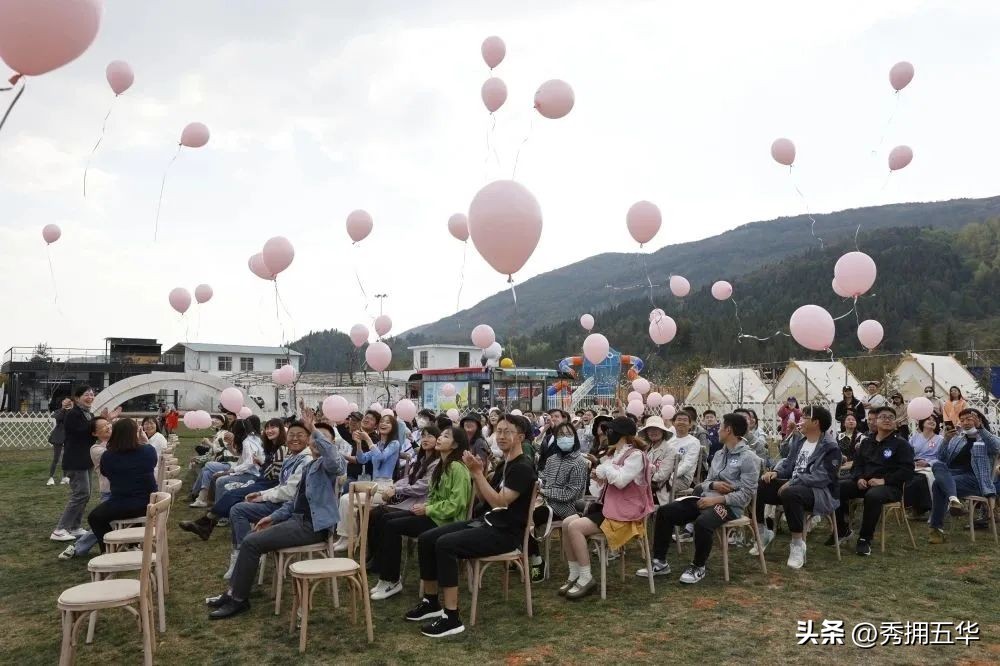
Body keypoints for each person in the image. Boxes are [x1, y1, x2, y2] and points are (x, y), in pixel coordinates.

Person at [403, 414, 537, 638]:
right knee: (427, 538)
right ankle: (430, 601)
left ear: (520, 437)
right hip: (488, 523)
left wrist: (476, 474)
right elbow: (485, 500)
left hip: (506, 533)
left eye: (508, 432)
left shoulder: (522, 467)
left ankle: (451, 616)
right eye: (499, 431)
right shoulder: (506, 463)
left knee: (445, 545)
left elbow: (500, 502)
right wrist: (479, 474)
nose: (501, 436)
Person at [206, 408, 346, 619]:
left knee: (252, 542)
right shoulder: (310, 467)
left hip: (313, 527)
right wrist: (273, 517)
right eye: (315, 438)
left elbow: (334, 460)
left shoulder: (330, 466)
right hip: (297, 521)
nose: (317, 441)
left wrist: (315, 429)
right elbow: (294, 502)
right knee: (251, 539)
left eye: (323, 439)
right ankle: (233, 593)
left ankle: (238, 599)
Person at [638, 413, 760, 583]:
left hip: (730, 507)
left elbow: (746, 495)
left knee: (703, 522)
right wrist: (712, 486)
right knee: (665, 512)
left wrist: (717, 500)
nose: (717, 430)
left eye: (720, 426)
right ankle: (660, 562)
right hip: (705, 499)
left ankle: (698, 566)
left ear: (729, 430)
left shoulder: (749, 458)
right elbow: (706, 482)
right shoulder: (719, 455)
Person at [369, 426, 472, 601]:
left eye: (445, 436)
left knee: (392, 525)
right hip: (433, 514)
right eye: (441, 435)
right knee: (385, 518)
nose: (439, 438)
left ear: (455, 445)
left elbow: (457, 504)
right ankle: (386, 576)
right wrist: (426, 507)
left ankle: (391, 580)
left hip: (446, 521)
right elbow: (432, 495)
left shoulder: (457, 468)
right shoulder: (442, 465)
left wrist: (428, 508)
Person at [559, 417, 653, 598]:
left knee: (575, 527)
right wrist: (599, 477)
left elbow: (621, 480)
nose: (607, 434)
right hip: (608, 508)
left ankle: (587, 578)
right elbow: (601, 488)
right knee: (567, 522)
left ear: (623, 435)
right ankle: (574, 573)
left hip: (625, 514)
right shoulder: (614, 454)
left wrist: (604, 469)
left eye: (611, 431)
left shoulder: (635, 455)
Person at [220, 421, 316, 578]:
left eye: (300, 435)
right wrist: (261, 493)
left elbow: (290, 492)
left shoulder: (305, 460)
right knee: (239, 505)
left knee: (238, 509)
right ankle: (242, 553)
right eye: (291, 435)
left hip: (288, 509)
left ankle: (244, 555)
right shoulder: (293, 456)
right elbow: (281, 484)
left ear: (309, 439)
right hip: (279, 501)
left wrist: (263, 496)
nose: (294, 439)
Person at [751, 406, 841, 569]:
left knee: (792, 492)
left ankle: (798, 545)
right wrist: (776, 473)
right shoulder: (800, 441)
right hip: (793, 487)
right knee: (762, 484)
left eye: (804, 417)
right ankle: (763, 532)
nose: (800, 420)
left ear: (816, 422)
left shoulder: (830, 446)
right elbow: (788, 463)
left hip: (819, 492)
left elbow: (823, 477)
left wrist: (793, 482)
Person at [181, 418, 286, 542]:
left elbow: (274, 474)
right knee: (221, 482)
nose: (269, 430)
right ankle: (208, 521)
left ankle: (209, 520)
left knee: (227, 487)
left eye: (273, 427)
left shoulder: (278, 448)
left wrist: (257, 464)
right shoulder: (269, 445)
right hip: (261, 479)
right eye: (267, 427)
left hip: (266, 482)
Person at [833, 406, 914, 556]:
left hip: (889, 487)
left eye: (891, 417)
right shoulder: (866, 442)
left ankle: (865, 539)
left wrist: (884, 480)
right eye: (883, 417)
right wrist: (859, 478)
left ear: (895, 422)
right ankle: (842, 529)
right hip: (865, 483)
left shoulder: (901, 444)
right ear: (876, 421)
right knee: (837, 486)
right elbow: (857, 466)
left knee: (873, 496)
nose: (887, 420)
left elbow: (907, 471)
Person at [366, 424, 441, 570]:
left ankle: (381, 561)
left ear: (437, 440)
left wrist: (397, 490)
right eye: (423, 435)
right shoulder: (420, 460)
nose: (425, 439)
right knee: (374, 514)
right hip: (408, 500)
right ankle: (375, 557)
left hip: (420, 504)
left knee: (382, 515)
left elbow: (422, 487)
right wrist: (394, 487)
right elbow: (408, 478)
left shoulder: (437, 463)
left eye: (430, 436)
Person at [527, 422, 588, 582]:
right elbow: (545, 479)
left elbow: (570, 494)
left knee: (528, 518)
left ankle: (536, 560)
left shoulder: (579, 462)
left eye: (568, 435)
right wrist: (539, 483)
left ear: (575, 437)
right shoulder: (552, 459)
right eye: (561, 435)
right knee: (519, 513)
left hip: (566, 509)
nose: (565, 438)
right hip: (546, 503)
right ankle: (527, 554)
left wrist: (545, 492)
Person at [927, 409, 1000, 543]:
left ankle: (936, 530)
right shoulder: (958, 439)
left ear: (979, 420)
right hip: (954, 476)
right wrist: (946, 441)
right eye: (962, 420)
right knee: (937, 465)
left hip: (977, 480)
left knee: (938, 484)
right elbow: (942, 459)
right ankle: (954, 499)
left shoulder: (987, 438)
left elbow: (997, 447)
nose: (965, 423)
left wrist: (980, 428)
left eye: (969, 419)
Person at [333, 413, 402, 551]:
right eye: (382, 421)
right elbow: (362, 459)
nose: (383, 424)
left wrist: (368, 439)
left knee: (348, 499)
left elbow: (381, 457)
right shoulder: (378, 444)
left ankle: (349, 538)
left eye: (388, 422)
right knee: (345, 499)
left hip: (384, 487)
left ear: (393, 427)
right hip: (373, 484)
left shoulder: (394, 443)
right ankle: (345, 537)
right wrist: (358, 444)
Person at [86, 419, 158, 552]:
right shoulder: (148, 451)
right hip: (149, 502)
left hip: (122, 502)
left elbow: (106, 473)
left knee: (94, 517)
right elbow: (153, 463)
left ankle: (109, 549)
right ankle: (130, 544)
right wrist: (144, 441)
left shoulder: (108, 456)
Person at [57, 417, 113, 560]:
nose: (108, 427)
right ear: (95, 434)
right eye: (103, 427)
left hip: (119, 491)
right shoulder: (97, 449)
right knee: (102, 521)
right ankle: (77, 547)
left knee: (104, 521)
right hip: (109, 492)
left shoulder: (119, 443)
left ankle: (78, 548)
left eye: (108, 424)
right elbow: (115, 455)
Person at [51, 386, 100, 542]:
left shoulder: (89, 414)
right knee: (80, 494)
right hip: (75, 460)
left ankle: (75, 527)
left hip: (86, 459)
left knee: (86, 495)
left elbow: (91, 437)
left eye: (92, 394)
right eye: (86, 394)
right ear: (77, 398)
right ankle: (60, 529)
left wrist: (100, 424)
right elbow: (80, 432)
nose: (90, 397)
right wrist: (96, 425)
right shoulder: (73, 414)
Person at [190, 416, 264, 508]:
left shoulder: (247, 441)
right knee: (210, 472)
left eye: (233, 430)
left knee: (219, 480)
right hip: (244, 470)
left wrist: (231, 471)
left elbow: (249, 462)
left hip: (250, 474)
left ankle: (216, 508)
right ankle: (210, 503)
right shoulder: (250, 439)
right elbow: (241, 456)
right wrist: (230, 446)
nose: (232, 432)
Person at [647, 412, 700, 505]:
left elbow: (687, 464)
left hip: (681, 478)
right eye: (679, 419)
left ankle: (664, 511)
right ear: (673, 423)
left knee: (657, 486)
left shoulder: (694, 442)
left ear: (690, 424)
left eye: (685, 420)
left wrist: (671, 476)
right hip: (664, 473)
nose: (682, 422)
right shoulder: (670, 441)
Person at [907, 417, 943, 518]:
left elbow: (942, 457)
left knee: (921, 479)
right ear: (922, 423)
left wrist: (928, 463)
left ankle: (924, 508)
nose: (932, 421)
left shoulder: (940, 439)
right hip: (915, 465)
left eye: (934, 420)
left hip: (930, 466)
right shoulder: (914, 437)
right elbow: (908, 452)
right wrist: (912, 461)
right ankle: (912, 506)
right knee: (908, 477)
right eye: (929, 420)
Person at [46, 397, 73, 486]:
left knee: (67, 458)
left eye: (68, 402)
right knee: (56, 458)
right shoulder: (58, 411)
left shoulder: (72, 412)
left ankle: (65, 477)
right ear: (62, 402)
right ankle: (51, 477)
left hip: (69, 436)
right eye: (65, 401)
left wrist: (71, 409)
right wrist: (63, 409)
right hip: (58, 436)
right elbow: (57, 417)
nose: (67, 403)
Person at [836, 414, 862, 478]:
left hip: (854, 466)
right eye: (848, 420)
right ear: (843, 423)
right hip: (840, 464)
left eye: (853, 420)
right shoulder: (839, 436)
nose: (851, 421)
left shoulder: (861, 436)